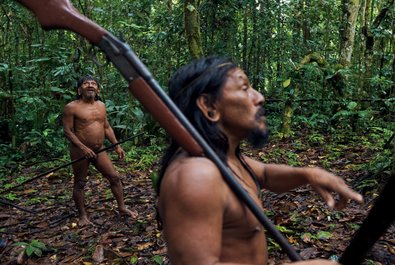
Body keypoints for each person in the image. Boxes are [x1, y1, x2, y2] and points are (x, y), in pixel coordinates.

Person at [157, 56, 363, 264]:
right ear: (210, 106)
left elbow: (265, 174)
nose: (260, 97)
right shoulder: (196, 175)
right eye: (244, 88)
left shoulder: (225, 159)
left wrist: (309, 174)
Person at [63, 75, 138, 226]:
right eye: (86, 83)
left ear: (98, 90)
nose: (90, 85)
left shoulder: (101, 106)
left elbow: (106, 127)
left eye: (93, 84)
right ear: (79, 90)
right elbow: (68, 131)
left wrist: (116, 145)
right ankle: (82, 216)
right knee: (79, 183)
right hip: (80, 151)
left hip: (99, 149)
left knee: (114, 177)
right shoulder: (72, 107)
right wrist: (83, 148)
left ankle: (122, 207)